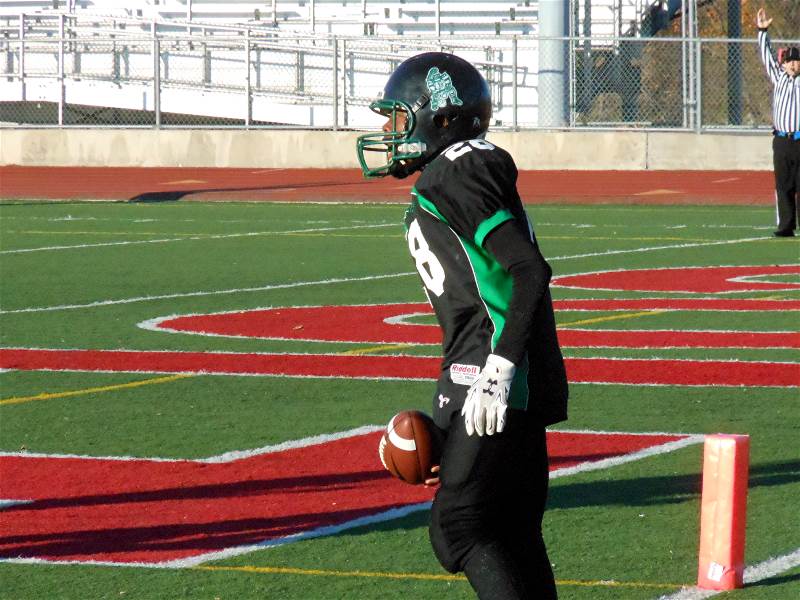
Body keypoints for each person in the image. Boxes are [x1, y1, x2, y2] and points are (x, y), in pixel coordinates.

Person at [357, 52, 569, 599]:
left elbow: (528, 270)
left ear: (443, 118)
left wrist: (500, 367)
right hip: (482, 368)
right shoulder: (451, 173)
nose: (391, 131)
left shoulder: (459, 167)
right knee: (511, 529)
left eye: (400, 117)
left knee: (459, 526)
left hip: (494, 370)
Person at [756, 7, 800, 237]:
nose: (792, 65)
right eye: (789, 61)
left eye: (796, 61)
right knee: (783, 185)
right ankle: (785, 226)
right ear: (783, 64)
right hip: (782, 140)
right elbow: (767, 56)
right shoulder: (778, 77)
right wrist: (762, 31)